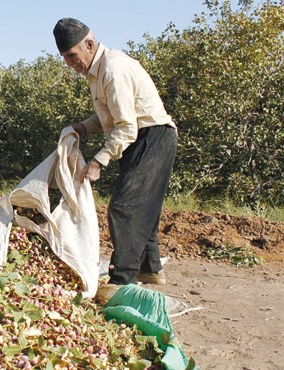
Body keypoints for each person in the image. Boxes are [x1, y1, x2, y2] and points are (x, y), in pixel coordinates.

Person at [52, 18, 178, 302]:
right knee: (142, 207)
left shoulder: (112, 68)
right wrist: (80, 128)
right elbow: (108, 117)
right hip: (141, 138)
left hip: (152, 137)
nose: (70, 63)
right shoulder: (95, 73)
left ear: (89, 44)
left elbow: (126, 127)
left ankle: (122, 281)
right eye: (65, 58)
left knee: (125, 207)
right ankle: (150, 269)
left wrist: (97, 163)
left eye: (72, 55)